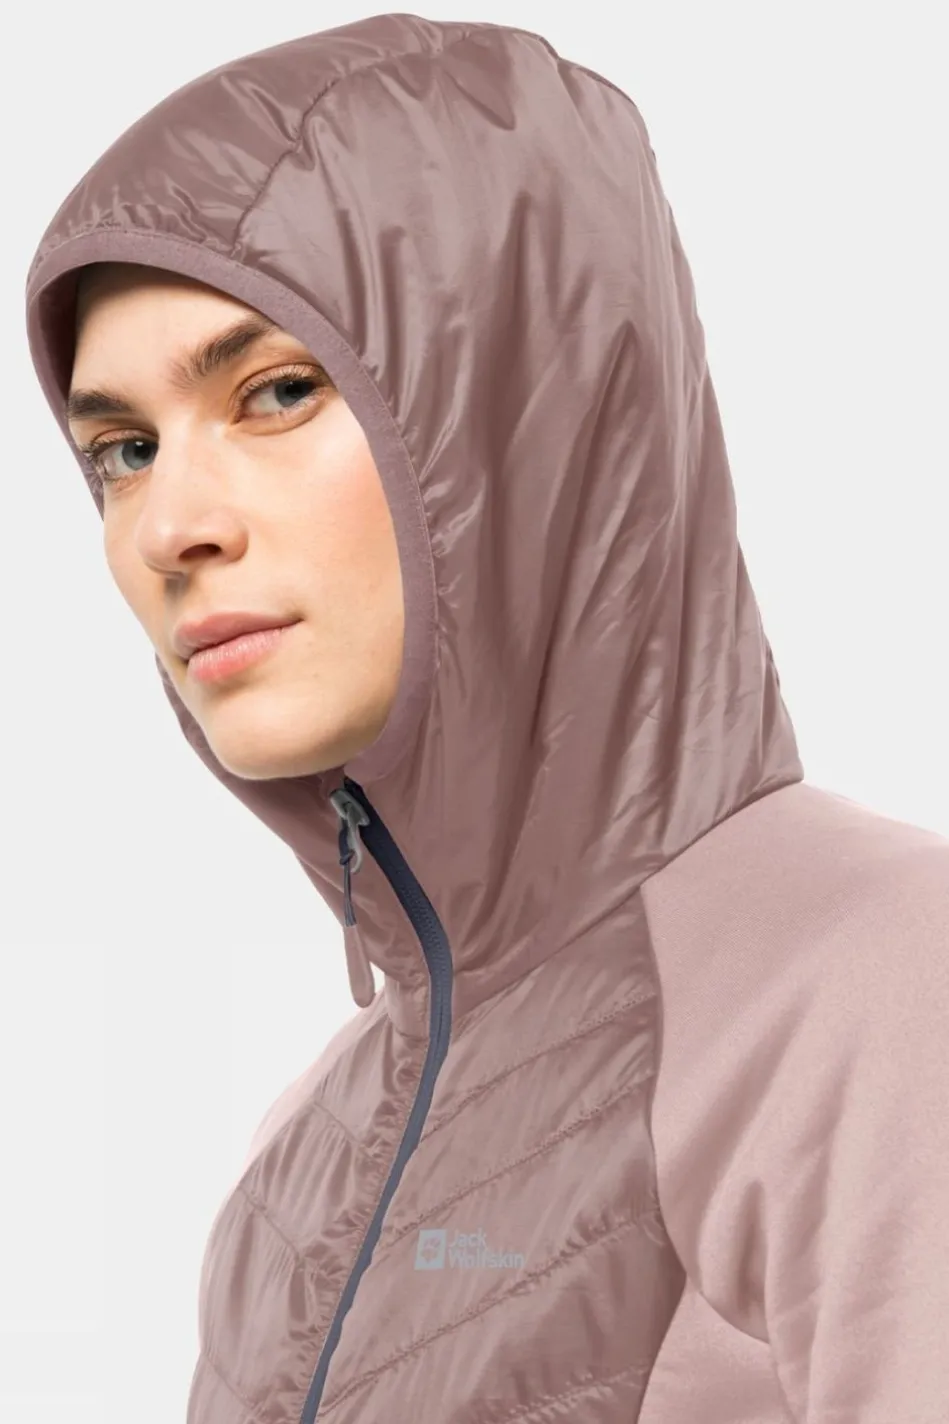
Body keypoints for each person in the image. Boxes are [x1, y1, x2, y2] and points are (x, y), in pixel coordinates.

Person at [24, 15, 949, 1424]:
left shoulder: (889, 992)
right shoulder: (297, 1169)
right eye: (124, 450)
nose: (168, 527)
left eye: (279, 391)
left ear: (525, 408)